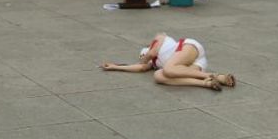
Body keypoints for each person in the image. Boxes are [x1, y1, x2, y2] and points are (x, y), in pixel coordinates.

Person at [101, 33, 235, 91]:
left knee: (168, 69)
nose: (144, 57)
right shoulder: (153, 64)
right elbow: (141, 67)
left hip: (188, 48)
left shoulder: (159, 39)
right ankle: (206, 83)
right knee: (158, 76)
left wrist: (145, 56)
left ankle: (217, 76)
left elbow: (151, 54)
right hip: (190, 66)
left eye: (143, 53)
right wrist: (116, 67)